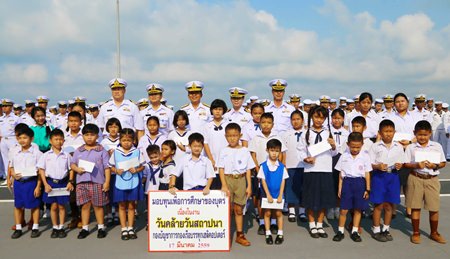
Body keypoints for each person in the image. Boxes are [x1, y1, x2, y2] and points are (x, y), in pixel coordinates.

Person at [404, 120, 447, 244]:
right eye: (419, 135)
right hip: (416, 177)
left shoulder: (436, 146)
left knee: (434, 208)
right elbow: (405, 163)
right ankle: (416, 232)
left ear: (430, 134)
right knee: (415, 207)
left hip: (431, 179)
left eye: (425, 135)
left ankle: (434, 232)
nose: (422, 137)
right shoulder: (411, 147)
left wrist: (435, 165)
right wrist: (416, 164)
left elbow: (443, 162)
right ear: (414, 134)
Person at [298, 106, 337, 239]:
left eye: (322, 117)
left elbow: (334, 153)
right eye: (316, 117)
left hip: (325, 169)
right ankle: (312, 224)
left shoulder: (328, 133)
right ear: (311, 117)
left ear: (325, 119)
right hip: (311, 170)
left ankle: (320, 224)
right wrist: (305, 158)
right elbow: (301, 150)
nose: (319, 120)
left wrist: (333, 146)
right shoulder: (306, 133)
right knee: (310, 198)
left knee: (323, 199)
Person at [217, 123, 255, 246]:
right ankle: (225, 235)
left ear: (240, 135)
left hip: (241, 180)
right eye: (229, 136)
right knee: (227, 209)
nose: (232, 138)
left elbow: (249, 169)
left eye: (235, 135)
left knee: (239, 209)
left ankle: (240, 234)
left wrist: (249, 185)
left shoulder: (245, 151)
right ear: (225, 136)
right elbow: (221, 169)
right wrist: (223, 185)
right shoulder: (223, 151)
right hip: (228, 180)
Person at [249, 112, 287, 235]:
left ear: (273, 124)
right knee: (261, 198)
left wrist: (281, 167)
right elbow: (253, 155)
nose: (266, 125)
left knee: (274, 196)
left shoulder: (277, 137)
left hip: (274, 171)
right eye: (263, 122)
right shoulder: (256, 138)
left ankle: (274, 223)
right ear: (259, 123)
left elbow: (282, 153)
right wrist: (256, 168)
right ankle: (262, 222)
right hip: (260, 170)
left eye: (269, 123)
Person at [70, 124, 110, 239]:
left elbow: (107, 167)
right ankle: (85, 228)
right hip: (82, 183)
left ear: (97, 136)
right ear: (82, 136)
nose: (89, 137)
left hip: (97, 182)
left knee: (98, 206)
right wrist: (77, 169)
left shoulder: (101, 150)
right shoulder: (79, 150)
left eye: (92, 135)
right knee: (85, 206)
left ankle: (101, 227)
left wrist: (106, 182)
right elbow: (72, 164)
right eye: (86, 135)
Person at [369, 119, 405, 242]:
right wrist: (378, 166)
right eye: (385, 131)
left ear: (394, 132)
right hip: (379, 176)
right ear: (380, 132)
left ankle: (386, 228)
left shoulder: (399, 146)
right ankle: (376, 228)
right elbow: (370, 164)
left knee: (389, 205)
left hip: (393, 176)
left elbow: (402, 162)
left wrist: (400, 165)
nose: (388, 134)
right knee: (378, 204)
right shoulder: (375, 146)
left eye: (390, 131)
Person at [333, 132, 371, 242]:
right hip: (347, 183)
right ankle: (340, 231)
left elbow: (367, 173)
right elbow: (341, 174)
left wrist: (367, 189)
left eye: (358, 147)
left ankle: (355, 231)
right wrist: (340, 188)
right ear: (348, 144)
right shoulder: (344, 156)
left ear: (362, 144)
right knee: (343, 209)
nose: (355, 149)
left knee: (358, 209)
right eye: (353, 146)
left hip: (360, 183)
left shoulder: (365, 157)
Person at [109, 128, 145, 240]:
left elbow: (143, 166)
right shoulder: (116, 152)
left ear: (133, 140)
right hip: (120, 182)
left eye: (129, 140)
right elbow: (110, 167)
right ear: (120, 140)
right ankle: (123, 228)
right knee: (122, 205)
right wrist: (116, 171)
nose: (126, 142)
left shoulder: (137, 152)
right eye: (124, 140)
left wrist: (137, 170)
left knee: (131, 205)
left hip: (133, 181)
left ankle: (130, 227)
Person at [37, 128, 74, 238]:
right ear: (50, 141)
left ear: (63, 141)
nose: (58, 141)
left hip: (63, 183)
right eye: (56, 139)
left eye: (60, 139)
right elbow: (41, 170)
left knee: (62, 206)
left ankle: (61, 227)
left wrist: (70, 182)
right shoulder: (46, 155)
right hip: (51, 183)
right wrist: (45, 184)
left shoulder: (66, 155)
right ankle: (55, 227)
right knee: (53, 207)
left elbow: (71, 169)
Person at [9, 126, 43, 239]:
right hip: (19, 182)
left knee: (35, 205)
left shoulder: (37, 153)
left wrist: (38, 186)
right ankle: (18, 228)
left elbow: (40, 172)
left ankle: (35, 227)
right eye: (20, 138)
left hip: (31, 182)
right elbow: (11, 166)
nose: (22, 140)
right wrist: (12, 174)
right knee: (18, 205)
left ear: (31, 138)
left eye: (25, 138)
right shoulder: (15, 152)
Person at [258, 138, 288, 245]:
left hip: (278, 193)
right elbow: (263, 181)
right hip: (267, 194)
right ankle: (267, 233)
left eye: (276, 151)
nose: (274, 153)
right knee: (267, 212)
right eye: (272, 150)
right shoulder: (263, 166)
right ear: (267, 150)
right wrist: (268, 195)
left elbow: (283, 182)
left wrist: (280, 195)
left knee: (279, 213)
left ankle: (280, 233)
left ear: (280, 152)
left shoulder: (282, 167)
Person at [282, 110, 306, 223]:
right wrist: (284, 165)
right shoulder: (286, 134)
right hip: (290, 165)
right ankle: (291, 210)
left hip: (304, 166)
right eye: (293, 119)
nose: (295, 122)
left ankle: (302, 211)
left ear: (302, 120)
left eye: (298, 119)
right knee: (290, 188)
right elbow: (283, 151)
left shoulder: (307, 133)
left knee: (303, 189)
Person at [100, 117, 122, 226]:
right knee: (107, 193)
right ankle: (109, 214)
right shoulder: (103, 142)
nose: (113, 129)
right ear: (107, 128)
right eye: (111, 127)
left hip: (119, 171)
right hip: (108, 171)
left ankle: (117, 213)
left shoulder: (121, 140)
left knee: (118, 192)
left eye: (115, 127)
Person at [328, 108, 350, 220]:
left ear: (343, 119)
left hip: (343, 159)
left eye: (339, 118)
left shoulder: (347, 133)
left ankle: (338, 206)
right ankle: (330, 207)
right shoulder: (327, 131)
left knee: (340, 183)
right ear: (331, 119)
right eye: (334, 118)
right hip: (330, 159)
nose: (337, 121)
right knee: (330, 183)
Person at [203, 99, 228, 189]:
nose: (217, 111)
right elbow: (205, 143)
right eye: (215, 109)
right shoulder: (207, 126)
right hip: (211, 162)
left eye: (220, 109)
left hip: (225, 162)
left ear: (224, 110)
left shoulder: (228, 124)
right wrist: (211, 160)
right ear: (211, 110)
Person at [0, 99, 22, 180]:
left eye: (6, 106)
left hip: (13, 139)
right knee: (5, 159)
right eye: (3, 106)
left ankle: (15, 176)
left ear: (11, 107)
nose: (4, 108)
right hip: (3, 140)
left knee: (13, 158)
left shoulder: (16, 118)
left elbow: (20, 129)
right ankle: (7, 177)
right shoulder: (1, 118)